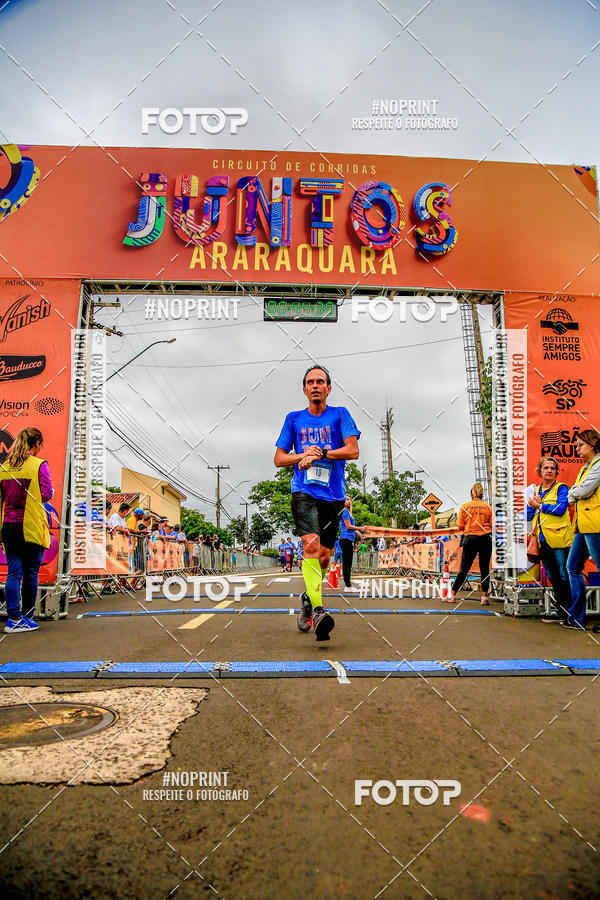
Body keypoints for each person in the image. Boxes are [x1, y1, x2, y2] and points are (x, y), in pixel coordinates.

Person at [275, 364, 360, 640]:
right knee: (309, 545)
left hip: (333, 496)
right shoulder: (294, 419)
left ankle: (308, 598)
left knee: (323, 557)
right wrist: (302, 456)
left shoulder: (340, 415)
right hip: (303, 491)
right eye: (310, 382)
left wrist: (322, 451)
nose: (315, 385)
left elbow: (353, 450)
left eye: (320, 381)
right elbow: (279, 458)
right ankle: (319, 611)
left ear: (328, 388)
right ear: (304, 389)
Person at [0, 427, 53, 633]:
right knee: (31, 573)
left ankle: (14, 619)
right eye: (41, 444)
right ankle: (27, 616)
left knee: (13, 573)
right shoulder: (39, 465)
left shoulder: (4, 466)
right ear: (37, 444)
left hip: (8, 527)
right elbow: (46, 494)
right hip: (31, 526)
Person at [527, 458, 573, 623]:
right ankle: (561, 612)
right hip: (543, 540)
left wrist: (540, 505)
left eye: (552, 468)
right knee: (553, 577)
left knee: (563, 576)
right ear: (540, 470)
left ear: (556, 471)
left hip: (559, 540)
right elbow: (528, 515)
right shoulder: (535, 490)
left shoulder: (561, 488)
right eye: (546, 468)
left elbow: (561, 509)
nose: (549, 471)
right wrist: (531, 505)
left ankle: (569, 613)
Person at [563, 429, 600, 631]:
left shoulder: (598, 465)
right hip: (583, 525)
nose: (577, 448)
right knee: (573, 567)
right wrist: (574, 493)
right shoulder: (586, 467)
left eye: (580, 445)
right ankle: (577, 617)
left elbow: (583, 490)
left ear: (592, 445)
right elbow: (578, 490)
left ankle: (577, 616)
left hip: (595, 524)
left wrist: (573, 494)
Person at [450, 483, 493, 604]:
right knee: (485, 569)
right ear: (481, 493)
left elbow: (460, 526)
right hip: (485, 538)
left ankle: (453, 595)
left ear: (471, 494)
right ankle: (484, 597)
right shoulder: (488, 507)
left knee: (464, 568)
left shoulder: (465, 507)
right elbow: (492, 524)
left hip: (470, 538)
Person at [338, 497, 364, 593]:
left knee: (349, 563)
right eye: (346, 499)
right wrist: (361, 528)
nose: (348, 501)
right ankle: (347, 585)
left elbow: (353, 528)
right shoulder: (344, 512)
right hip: (345, 538)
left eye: (349, 500)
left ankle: (348, 585)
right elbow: (348, 526)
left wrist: (360, 534)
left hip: (349, 539)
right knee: (346, 563)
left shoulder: (349, 513)